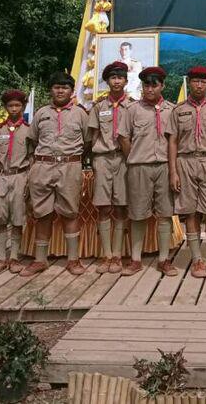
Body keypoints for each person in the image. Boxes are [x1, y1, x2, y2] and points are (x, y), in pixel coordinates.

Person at [20, 71, 90, 277]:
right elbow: (33, 139)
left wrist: (73, 159)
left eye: (65, 87)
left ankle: (73, 259)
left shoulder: (80, 114)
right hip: (43, 166)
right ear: (51, 90)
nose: (60, 91)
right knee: (42, 213)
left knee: (70, 212)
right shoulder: (41, 113)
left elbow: (88, 141)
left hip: (69, 166)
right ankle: (40, 260)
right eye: (56, 87)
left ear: (71, 91)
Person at [168, 65, 206, 279]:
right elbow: (173, 141)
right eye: (195, 81)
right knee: (190, 211)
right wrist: (173, 171)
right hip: (185, 161)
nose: (199, 85)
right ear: (190, 82)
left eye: (203, 81)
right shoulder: (178, 110)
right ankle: (196, 259)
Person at [118, 66, 178, 276]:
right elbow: (124, 137)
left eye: (154, 85)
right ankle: (135, 259)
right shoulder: (132, 109)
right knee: (138, 213)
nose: (150, 89)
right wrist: (134, 157)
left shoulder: (172, 110)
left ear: (162, 86)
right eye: (146, 85)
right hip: (139, 166)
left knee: (165, 213)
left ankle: (164, 259)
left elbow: (175, 140)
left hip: (165, 166)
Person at [88, 61, 134, 274]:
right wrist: (93, 161)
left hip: (124, 159)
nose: (116, 81)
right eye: (113, 78)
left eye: (120, 77)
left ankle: (117, 254)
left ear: (126, 81)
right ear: (107, 81)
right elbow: (93, 136)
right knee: (103, 206)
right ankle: (106, 255)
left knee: (121, 206)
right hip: (103, 158)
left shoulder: (132, 106)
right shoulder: (99, 107)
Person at [0, 89, 31, 274]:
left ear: (23, 107)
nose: (14, 109)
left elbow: (32, 157)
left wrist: (30, 181)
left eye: (17, 105)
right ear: (5, 107)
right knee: (0, 218)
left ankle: (14, 256)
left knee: (18, 218)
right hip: (1, 176)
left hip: (21, 176)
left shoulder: (29, 131)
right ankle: (1, 257)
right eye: (10, 105)